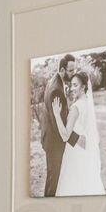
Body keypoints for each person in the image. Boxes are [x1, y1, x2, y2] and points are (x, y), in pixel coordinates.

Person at [53, 55, 106, 197]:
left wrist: (57, 115)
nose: (72, 88)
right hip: (85, 150)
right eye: (71, 85)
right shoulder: (87, 102)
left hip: (75, 153)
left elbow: (65, 136)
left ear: (83, 87)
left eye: (75, 85)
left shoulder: (76, 107)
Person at [37, 63, 68, 196]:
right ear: (62, 70)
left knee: (51, 178)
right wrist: (71, 139)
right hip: (55, 142)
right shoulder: (57, 90)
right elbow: (58, 123)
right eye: (71, 70)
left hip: (49, 138)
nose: (74, 73)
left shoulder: (53, 80)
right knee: (54, 181)